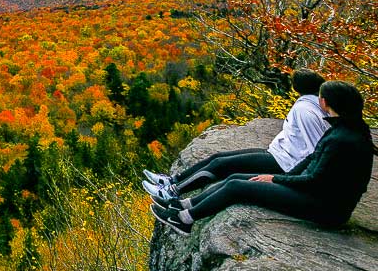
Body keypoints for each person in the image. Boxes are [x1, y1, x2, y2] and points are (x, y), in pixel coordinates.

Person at [151, 80, 374, 235]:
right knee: (236, 176)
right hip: (320, 198)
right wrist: (273, 176)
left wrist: (276, 180)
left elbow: (316, 180)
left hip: (324, 208)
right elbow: (311, 161)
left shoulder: (342, 139)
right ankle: (182, 205)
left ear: (324, 102)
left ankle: (184, 220)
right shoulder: (349, 129)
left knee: (237, 187)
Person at [142, 69, 328, 200]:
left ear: (297, 87)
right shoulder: (312, 104)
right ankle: (171, 181)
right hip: (279, 154)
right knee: (218, 157)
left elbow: (316, 149)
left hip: (285, 162)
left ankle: (172, 192)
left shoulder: (305, 110)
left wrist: (294, 178)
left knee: (220, 165)